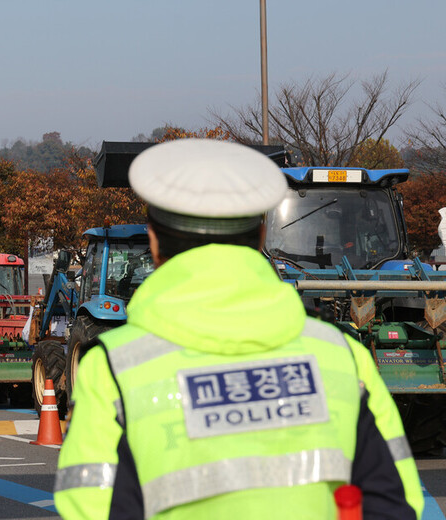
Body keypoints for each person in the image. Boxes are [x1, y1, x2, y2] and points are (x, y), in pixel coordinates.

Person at [54, 139, 423, 519]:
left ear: (153, 241)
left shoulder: (114, 372)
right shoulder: (343, 360)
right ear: (262, 236)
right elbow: (395, 505)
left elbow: (91, 508)